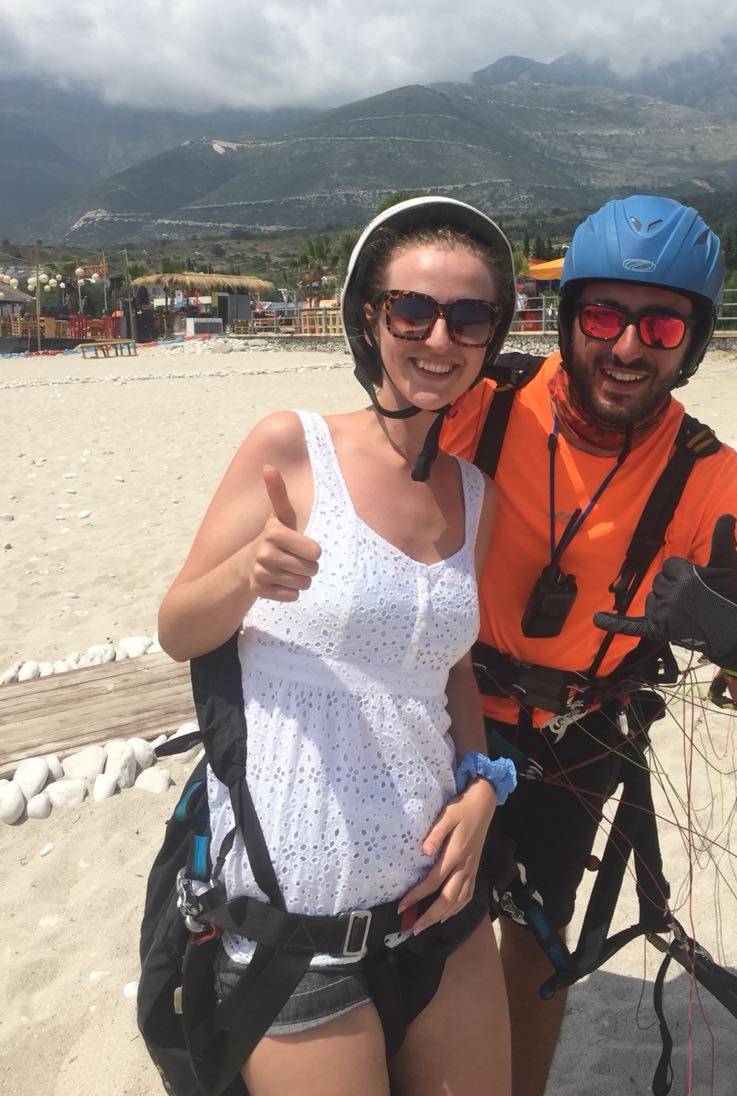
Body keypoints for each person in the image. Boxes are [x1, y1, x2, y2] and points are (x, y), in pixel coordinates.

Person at [441, 194, 737, 1096]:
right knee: (431, 928)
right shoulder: (483, 408)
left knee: (540, 934)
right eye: (604, 317)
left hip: (579, 734)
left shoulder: (705, 475)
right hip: (446, 712)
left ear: (694, 342)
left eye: (662, 325)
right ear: (570, 318)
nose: (629, 347)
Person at [156, 197, 519, 1096]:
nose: (440, 339)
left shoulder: (477, 494)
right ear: (369, 317)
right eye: (413, 310)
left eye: (469, 318)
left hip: (436, 903)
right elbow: (178, 628)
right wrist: (248, 574)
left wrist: (483, 785)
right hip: (297, 919)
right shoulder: (293, 444)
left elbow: (450, 666)